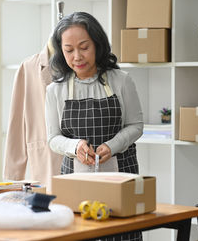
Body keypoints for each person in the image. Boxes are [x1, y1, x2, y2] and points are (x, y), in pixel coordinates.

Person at [45, 12, 144, 240]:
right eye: (69, 50)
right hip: (75, 179)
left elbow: (136, 125)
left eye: (84, 47)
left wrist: (113, 145)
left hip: (121, 173)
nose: (77, 56)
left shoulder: (121, 80)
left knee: (122, 234)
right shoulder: (55, 90)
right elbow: (53, 138)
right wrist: (76, 146)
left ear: (98, 44)